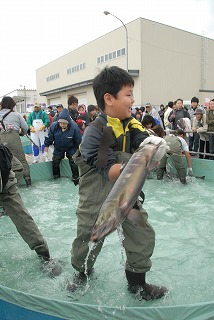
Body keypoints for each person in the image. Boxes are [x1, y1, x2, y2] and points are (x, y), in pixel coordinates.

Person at [69, 66, 168, 301]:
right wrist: (139, 165)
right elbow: (110, 170)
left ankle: (137, 285)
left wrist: (154, 148)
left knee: (141, 232)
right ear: (109, 99)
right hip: (97, 194)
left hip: (127, 193)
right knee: (87, 237)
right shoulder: (95, 132)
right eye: (128, 94)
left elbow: (143, 139)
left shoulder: (130, 123)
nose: (133, 100)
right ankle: (81, 274)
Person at [0, 143, 61, 276]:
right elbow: (17, 166)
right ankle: (45, 256)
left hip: (5, 177)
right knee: (21, 216)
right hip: (7, 174)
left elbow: (16, 166)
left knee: (21, 217)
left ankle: (45, 256)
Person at [44, 108, 82, 185]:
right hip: (58, 148)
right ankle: (56, 178)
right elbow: (49, 139)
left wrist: (80, 153)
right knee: (55, 161)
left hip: (71, 147)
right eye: (60, 123)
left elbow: (79, 141)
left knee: (73, 161)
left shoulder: (74, 127)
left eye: (64, 123)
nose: (62, 125)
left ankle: (76, 178)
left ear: (68, 123)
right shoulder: (54, 126)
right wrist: (45, 151)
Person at [0, 96, 32, 187]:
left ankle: (7, 185)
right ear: (12, 105)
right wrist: (21, 133)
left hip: (1, 140)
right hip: (14, 138)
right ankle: (28, 183)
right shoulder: (16, 115)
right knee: (21, 160)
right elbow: (25, 128)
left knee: (4, 161)